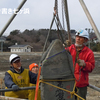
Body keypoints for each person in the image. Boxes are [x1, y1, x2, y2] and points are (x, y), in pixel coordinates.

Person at [65, 29, 95, 100]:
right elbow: (61, 55)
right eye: (77, 36)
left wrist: (85, 64)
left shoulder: (89, 53)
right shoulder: (70, 49)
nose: (78, 39)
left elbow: (91, 67)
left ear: (85, 40)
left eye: (80, 37)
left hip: (81, 84)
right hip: (69, 82)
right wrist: (63, 47)